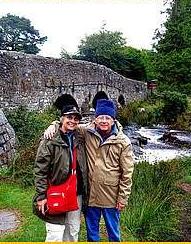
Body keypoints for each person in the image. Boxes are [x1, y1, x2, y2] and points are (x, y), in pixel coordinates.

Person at [42, 98, 134, 242]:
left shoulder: (123, 142)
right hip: (91, 196)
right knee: (92, 234)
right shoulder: (87, 131)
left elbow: (127, 174)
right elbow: (69, 124)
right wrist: (54, 124)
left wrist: (123, 198)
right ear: (95, 119)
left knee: (113, 233)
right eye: (100, 117)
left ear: (113, 120)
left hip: (111, 196)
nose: (103, 121)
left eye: (107, 118)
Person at [34, 105, 87, 242]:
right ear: (62, 118)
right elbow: (40, 170)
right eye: (69, 117)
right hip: (55, 192)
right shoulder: (50, 139)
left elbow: (100, 124)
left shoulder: (79, 137)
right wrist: (41, 196)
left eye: (76, 119)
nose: (73, 121)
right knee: (55, 234)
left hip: (76, 193)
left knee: (73, 231)